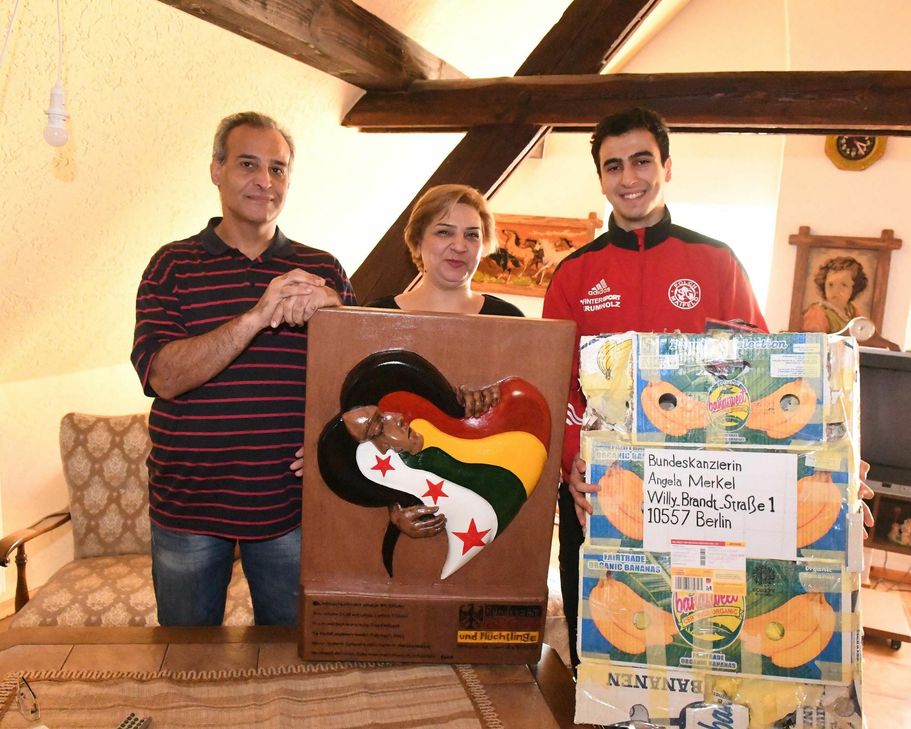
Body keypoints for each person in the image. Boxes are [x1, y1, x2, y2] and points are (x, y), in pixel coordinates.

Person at [542, 107, 768, 667]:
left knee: (698, 646)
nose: (629, 178)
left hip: (701, 492)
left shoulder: (717, 262)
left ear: (666, 167)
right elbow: (557, 387)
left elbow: (758, 372)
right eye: (613, 166)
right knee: (601, 643)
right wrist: (571, 465)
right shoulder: (573, 274)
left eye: (642, 161)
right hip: (600, 492)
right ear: (601, 178)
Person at [131, 111, 356, 626]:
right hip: (188, 503)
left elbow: (359, 381)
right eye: (248, 164)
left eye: (278, 169)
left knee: (290, 657)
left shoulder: (323, 271)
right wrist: (257, 315)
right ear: (216, 170)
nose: (264, 181)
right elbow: (163, 376)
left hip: (291, 506)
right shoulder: (171, 265)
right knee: (187, 659)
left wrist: (329, 437)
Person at [316, 350, 549, 579]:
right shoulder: (395, 470)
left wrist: (471, 401)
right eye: (378, 426)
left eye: (384, 414)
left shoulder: (422, 414)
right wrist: (395, 508)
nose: (396, 418)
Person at [366, 184, 524, 316]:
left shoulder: (509, 319)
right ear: (418, 241)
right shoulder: (376, 316)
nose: (459, 247)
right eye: (444, 232)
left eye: (472, 235)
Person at [801, 256, 868, 333]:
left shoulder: (852, 310)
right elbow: (813, 339)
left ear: (854, 288)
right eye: (831, 285)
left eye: (844, 285)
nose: (835, 290)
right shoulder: (817, 313)